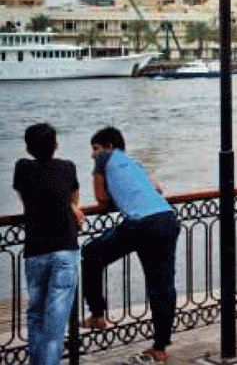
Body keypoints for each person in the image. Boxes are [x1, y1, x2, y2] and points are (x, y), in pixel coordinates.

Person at [81, 127, 179, 363]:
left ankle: (96, 314)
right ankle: (160, 347)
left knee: (91, 253)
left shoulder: (104, 158)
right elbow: (156, 189)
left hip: (140, 224)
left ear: (108, 146)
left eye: (95, 149)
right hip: (167, 218)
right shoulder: (135, 163)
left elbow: (101, 199)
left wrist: (113, 195)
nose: (93, 155)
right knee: (162, 286)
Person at [13, 123, 84, 365]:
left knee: (36, 316)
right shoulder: (67, 167)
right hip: (65, 249)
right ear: (56, 145)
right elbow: (74, 200)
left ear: (27, 148)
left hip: (36, 251)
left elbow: (25, 200)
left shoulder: (22, 168)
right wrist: (72, 207)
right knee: (55, 323)